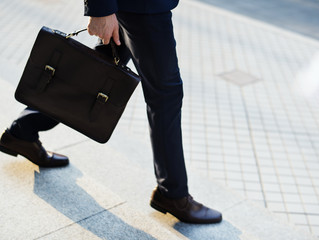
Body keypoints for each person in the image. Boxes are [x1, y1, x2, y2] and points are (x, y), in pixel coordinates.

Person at [0, 0, 222, 224]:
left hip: (136, 6)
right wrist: (100, 8)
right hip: (144, 8)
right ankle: (173, 194)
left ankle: (22, 132)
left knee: (101, 71)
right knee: (166, 95)